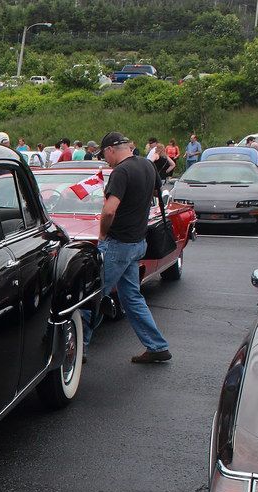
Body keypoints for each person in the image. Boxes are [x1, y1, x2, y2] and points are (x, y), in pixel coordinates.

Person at [83, 131, 172, 363]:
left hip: (118, 245)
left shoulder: (121, 171)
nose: (106, 161)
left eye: (105, 156)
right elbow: (154, 193)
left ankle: (76, 350)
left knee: (91, 296)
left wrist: (102, 234)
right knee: (131, 296)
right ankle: (157, 346)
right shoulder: (146, 165)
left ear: (111, 149)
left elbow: (110, 209)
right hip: (137, 242)